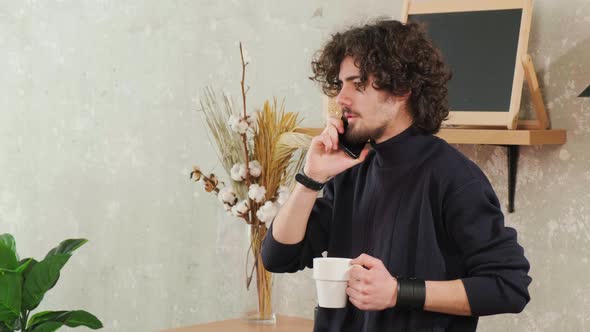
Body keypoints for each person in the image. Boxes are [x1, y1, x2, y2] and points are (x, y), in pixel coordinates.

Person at [261, 19, 531, 331]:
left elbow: (508, 286)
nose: (341, 99)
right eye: (340, 84)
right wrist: (310, 179)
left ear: (401, 88)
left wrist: (398, 292)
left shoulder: (454, 177)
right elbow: (278, 257)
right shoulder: (350, 170)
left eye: (358, 83)